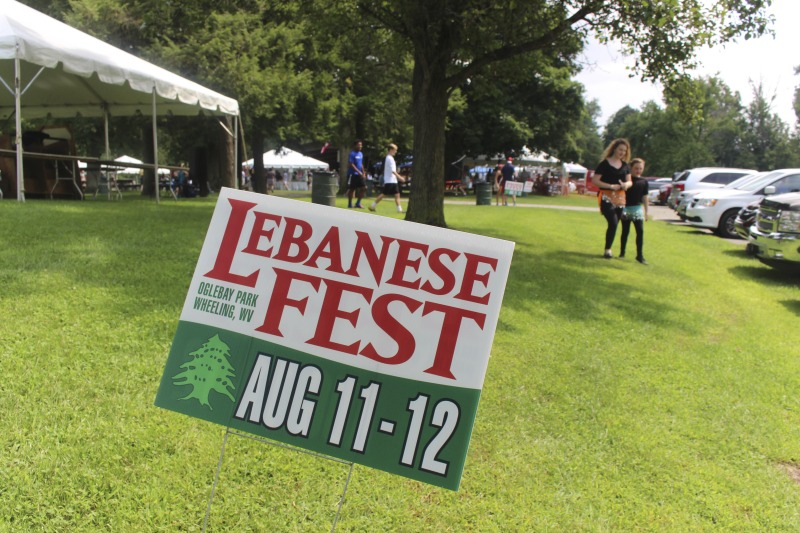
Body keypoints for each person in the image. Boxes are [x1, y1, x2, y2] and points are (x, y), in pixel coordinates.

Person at [591, 138, 632, 258]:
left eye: (624, 151)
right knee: (613, 222)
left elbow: (630, 182)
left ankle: (608, 248)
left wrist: (625, 185)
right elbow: (595, 180)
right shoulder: (604, 164)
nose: (622, 152)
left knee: (615, 224)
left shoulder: (625, 166)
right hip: (606, 196)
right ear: (614, 149)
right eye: (620, 149)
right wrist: (610, 186)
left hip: (620, 198)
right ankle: (608, 250)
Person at [619, 158, 650, 264]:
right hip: (626, 208)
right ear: (631, 168)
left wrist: (646, 212)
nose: (638, 170)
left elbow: (645, 197)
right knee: (625, 231)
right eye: (636, 168)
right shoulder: (628, 180)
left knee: (640, 232)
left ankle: (639, 255)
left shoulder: (644, 182)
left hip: (637, 209)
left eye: (640, 168)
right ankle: (622, 252)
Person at [369, 143, 406, 213]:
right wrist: (400, 177)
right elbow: (393, 171)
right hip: (390, 180)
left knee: (397, 194)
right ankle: (372, 206)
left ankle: (399, 210)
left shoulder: (389, 158)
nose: (396, 152)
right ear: (391, 150)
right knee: (384, 194)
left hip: (393, 180)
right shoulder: (390, 158)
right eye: (395, 150)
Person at [347, 139, 366, 208]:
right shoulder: (352, 154)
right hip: (353, 174)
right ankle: (349, 204)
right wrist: (359, 172)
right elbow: (351, 164)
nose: (360, 146)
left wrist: (363, 172)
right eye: (358, 145)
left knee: (364, 188)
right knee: (352, 189)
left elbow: (361, 164)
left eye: (361, 145)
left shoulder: (361, 154)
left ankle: (358, 203)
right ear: (355, 146)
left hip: (360, 175)